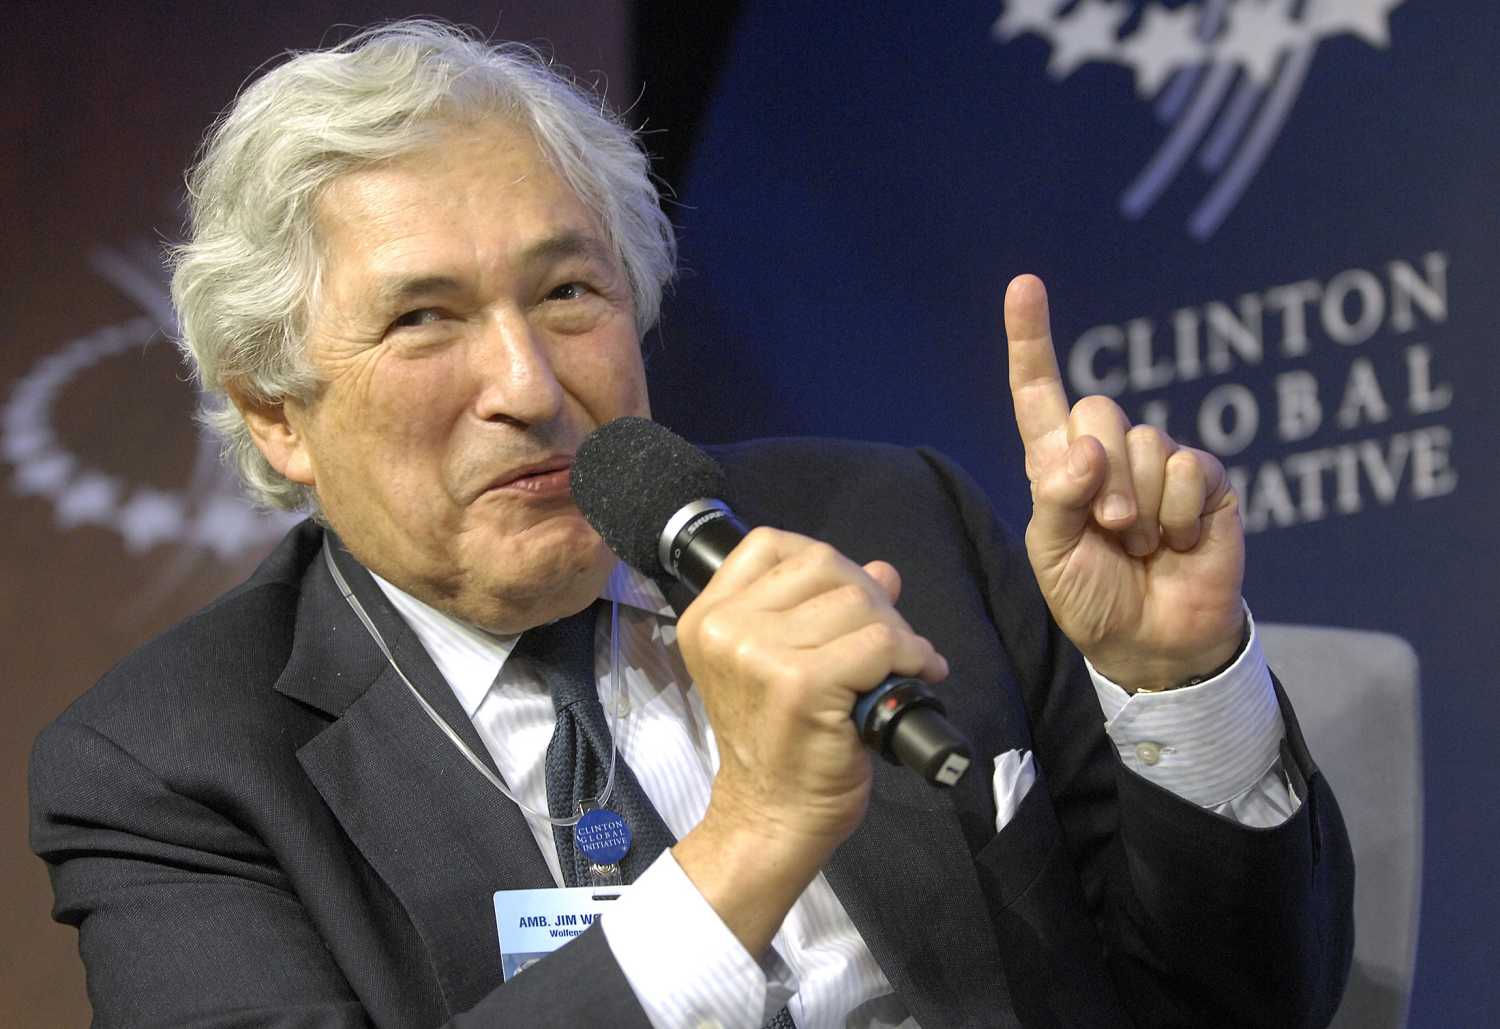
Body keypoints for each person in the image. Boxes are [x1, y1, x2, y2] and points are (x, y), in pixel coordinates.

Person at [29, 19, 1352, 1029]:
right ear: (277, 414)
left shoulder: (897, 519)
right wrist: (748, 844)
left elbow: (1240, 1000)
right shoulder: (170, 766)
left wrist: (1181, 683)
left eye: (567, 292)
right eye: (424, 318)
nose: (531, 388)